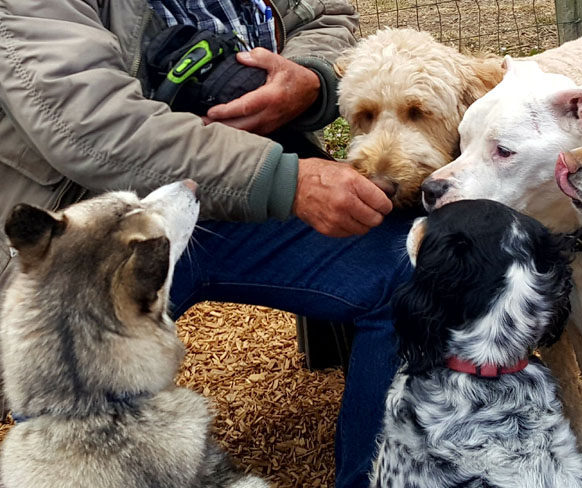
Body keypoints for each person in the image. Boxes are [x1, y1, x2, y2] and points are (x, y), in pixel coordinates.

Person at [0, 1, 413, 486]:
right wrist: (285, 181)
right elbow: (92, 125)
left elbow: (324, 14)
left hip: (241, 187)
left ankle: (374, 478)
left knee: (409, 267)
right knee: (73, 384)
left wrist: (309, 78)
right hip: (96, 223)